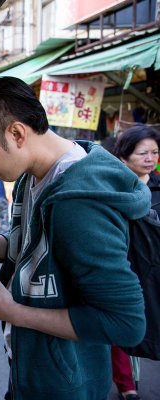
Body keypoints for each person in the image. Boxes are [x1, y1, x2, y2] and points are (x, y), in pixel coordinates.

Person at [0, 77, 147, 400]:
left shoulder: (78, 203)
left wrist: (12, 312)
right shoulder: (33, 176)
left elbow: (125, 323)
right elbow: (45, 251)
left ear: (16, 133)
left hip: (65, 386)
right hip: (30, 371)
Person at [110, 126, 160, 400]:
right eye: (142, 153)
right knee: (122, 322)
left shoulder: (159, 187)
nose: (150, 158)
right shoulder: (113, 189)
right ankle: (126, 385)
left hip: (152, 269)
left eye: (154, 152)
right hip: (121, 267)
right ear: (124, 157)